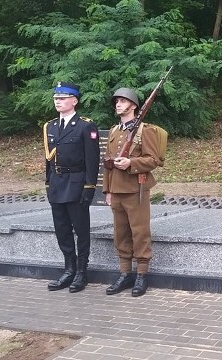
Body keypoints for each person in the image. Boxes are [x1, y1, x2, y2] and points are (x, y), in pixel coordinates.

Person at [102, 87, 161, 297]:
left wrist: (131, 162)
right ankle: (125, 274)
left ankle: (142, 274)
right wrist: (107, 190)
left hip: (136, 189)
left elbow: (154, 160)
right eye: (116, 101)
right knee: (121, 234)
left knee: (140, 233)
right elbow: (108, 163)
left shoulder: (146, 130)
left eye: (122, 101)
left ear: (134, 105)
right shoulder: (114, 130)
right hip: (116, 190)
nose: (118, 104)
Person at [44, 82, 100, 293]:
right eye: (56, 98)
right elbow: (48, 160)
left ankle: (81, 272)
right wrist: (48, 183)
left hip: (77, 183)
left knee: (81, 230)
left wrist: (89, 187)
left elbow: (92, 160)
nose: (58, 101)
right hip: (57, 184)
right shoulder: (50, 126)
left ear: (74, 101)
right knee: (62, 230)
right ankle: (69, 268)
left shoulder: (85, 126)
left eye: (63, 98)